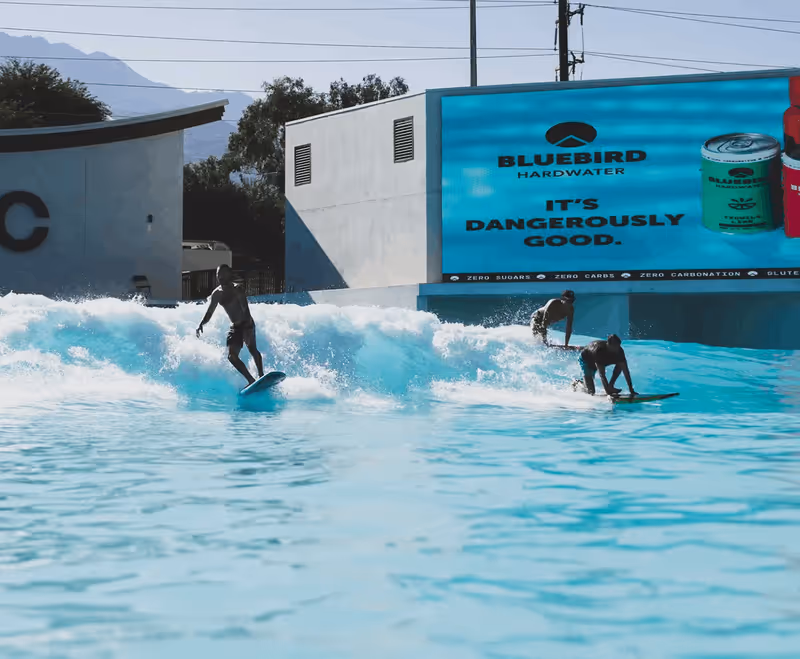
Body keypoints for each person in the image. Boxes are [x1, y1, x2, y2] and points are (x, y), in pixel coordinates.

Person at [196, 264, 264, 386]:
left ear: (229, 275)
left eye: (223, 274)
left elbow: (245, 309)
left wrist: (247, 327)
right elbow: (210, 311)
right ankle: (250, 380)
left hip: (247, 323)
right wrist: (202, 323)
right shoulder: (217, 294)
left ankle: (261, 375)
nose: (220, 277)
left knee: (252, 349)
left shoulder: (237, 289)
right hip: (235, 326)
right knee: (232, 357)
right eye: (218, 274)